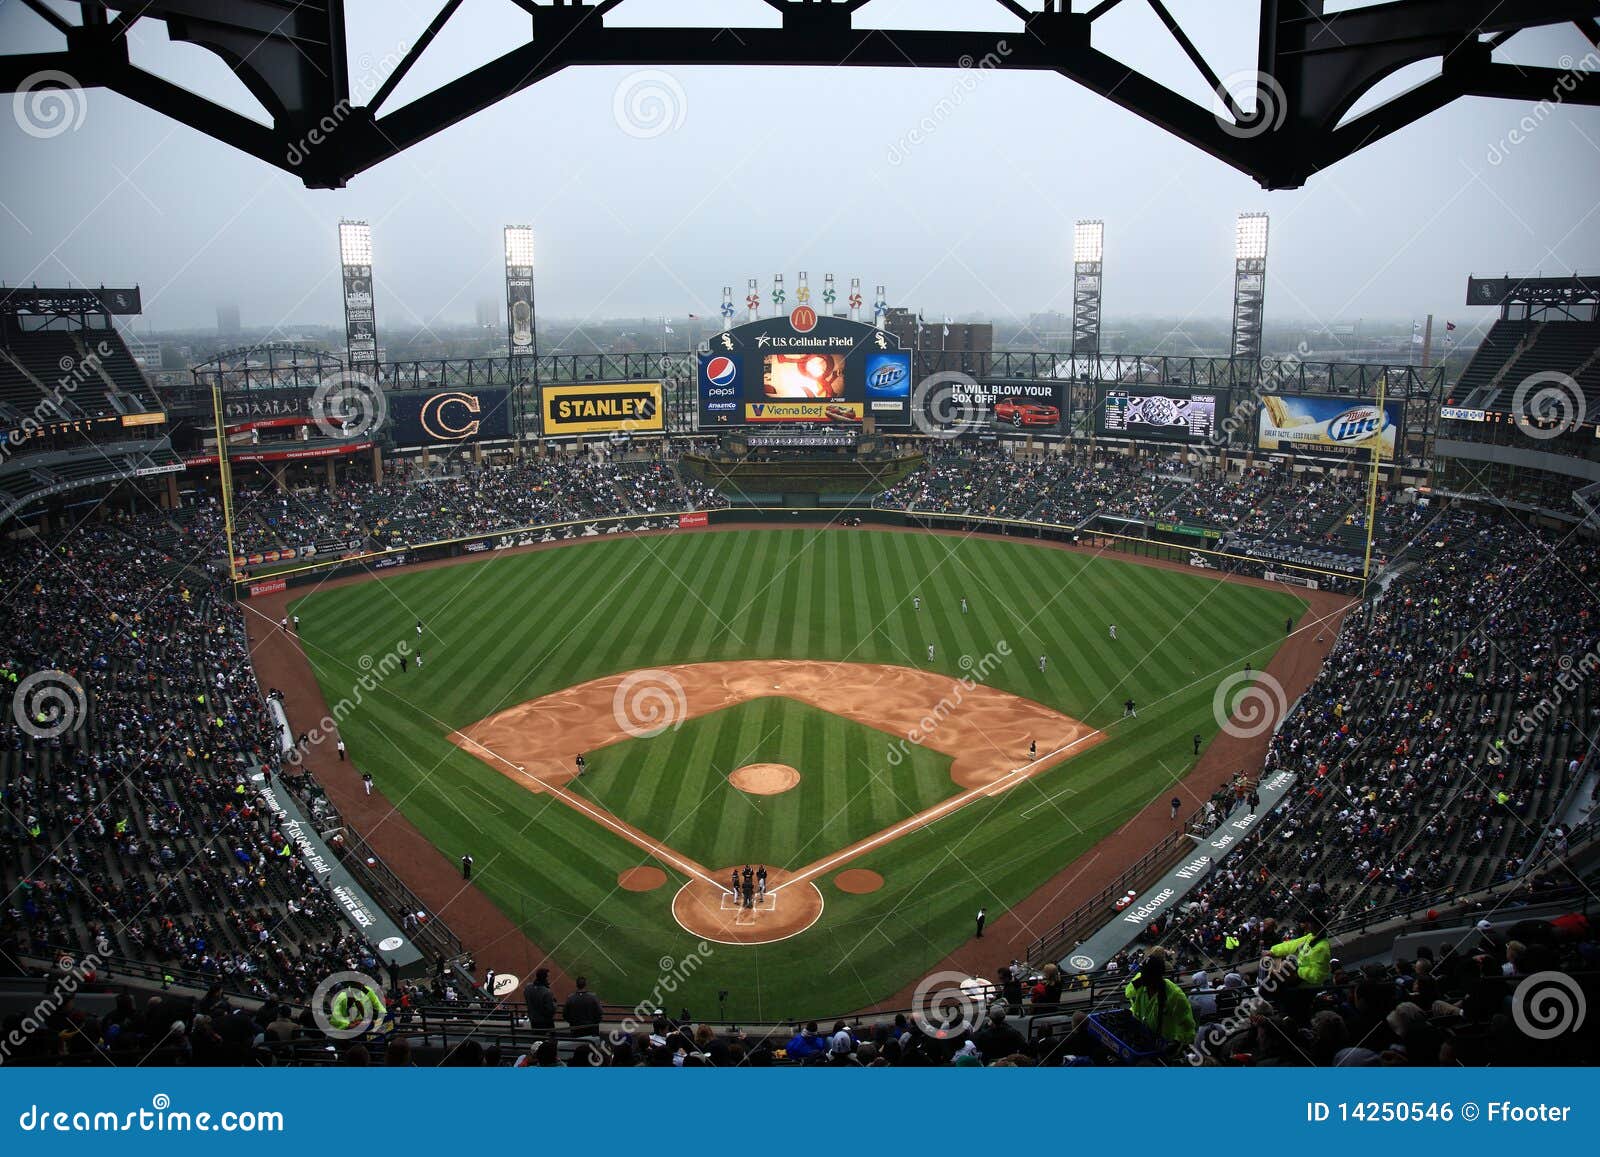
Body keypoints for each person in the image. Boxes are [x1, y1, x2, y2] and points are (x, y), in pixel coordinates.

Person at [1123, 952, 1195, 1049]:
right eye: (1142, 972)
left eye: (1147, 974)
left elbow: (1188, 1028)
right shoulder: (1140, 981)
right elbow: (1128, 993)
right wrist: (1136, 984)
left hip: (1160, 1045)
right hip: (1139, 1034)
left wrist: (1177, 1042)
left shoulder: (1175, 996)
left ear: (1157, 976)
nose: (1142, 976)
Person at [525, 968, 556, 1032]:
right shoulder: (547, 992)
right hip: (545, 1022)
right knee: (549, 1040)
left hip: (533, 1020)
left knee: (537, 1039)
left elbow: (529, 990)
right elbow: (550, 1010)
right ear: (545, 978)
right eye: (547, 977)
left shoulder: (528, 988)